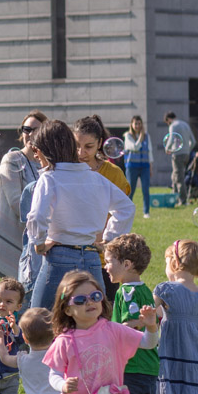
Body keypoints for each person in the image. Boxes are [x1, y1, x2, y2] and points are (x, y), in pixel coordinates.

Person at [26, 121, 134, 310]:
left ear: (47, 150)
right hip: (92, 260)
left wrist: (39, 243)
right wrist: (109, 239)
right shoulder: (96, 177)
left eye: (37, 151)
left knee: (40, 320)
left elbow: (36, 216)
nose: (35, 156)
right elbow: (126, 208)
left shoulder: (49, 178)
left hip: (59, 258)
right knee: (93, 323)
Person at [103, 234, 181, 394]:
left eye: (109, 261)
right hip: (149, 367)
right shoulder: (144, 289)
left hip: (133, 366)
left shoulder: (127, 292)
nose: (105, 266)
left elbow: (130, 326)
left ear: (126, 264)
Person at [155, 239, 198, 394]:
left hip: (172, 357)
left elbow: (151, 313)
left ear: (174, 263)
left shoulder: (165, 289)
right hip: (194, 358)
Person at [0, 111, 47, 278]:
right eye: (26, 129)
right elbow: (17, 202)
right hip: (17, 239)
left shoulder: (48, 163)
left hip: (40, 240)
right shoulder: (12, 160)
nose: (30, 134)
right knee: (16, 297)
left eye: (36, 130)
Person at [73, 115, 131, 196]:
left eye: (88, 146)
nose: (80, 153)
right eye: (77, 145)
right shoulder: (65, 170)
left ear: (99, 143)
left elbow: (123, 207)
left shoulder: (114, 173)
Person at [122, 115, 153, 219]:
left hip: (145, 166)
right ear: (132, 124)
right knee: (130, 190)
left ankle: (146, 212)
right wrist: (140, 137)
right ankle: (127, 212)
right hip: (132, 167)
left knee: (145, 190)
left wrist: (151, 167)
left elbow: (150, 152)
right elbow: (134, 147)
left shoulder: (147, 136)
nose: (137, 125)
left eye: (139, 123)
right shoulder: (128, 136)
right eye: (135, 123)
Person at [164, 111, 196, 205]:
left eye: (167, 122)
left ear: (168, 119)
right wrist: (187, 150)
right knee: (175, 175)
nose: (168, 124)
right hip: (186, 154)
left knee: (179, 178)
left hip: (177, 155)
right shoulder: (185, 124)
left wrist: (167, 148)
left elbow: (171, 138)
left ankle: (183, 200)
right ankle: (174, 197)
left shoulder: (173, 126)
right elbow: (193, 141)